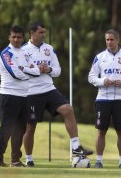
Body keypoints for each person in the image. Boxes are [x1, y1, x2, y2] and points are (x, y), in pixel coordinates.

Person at [22, 21, 93, 167]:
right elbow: (21, 71)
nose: (44, 35)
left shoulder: (49, 49)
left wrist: (48, 70)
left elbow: (58, 70)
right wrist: (37, 69)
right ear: (32, 33)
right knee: (30, 127)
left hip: (49, 89)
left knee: (68, 109)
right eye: (41, 32)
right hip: (31, 92)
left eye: (44, 32)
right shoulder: (23, 50)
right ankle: (29, 159)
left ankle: (76, 147)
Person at [88, 29, 121, 168]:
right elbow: (91, 77)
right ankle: (99, 160)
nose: (109, 42)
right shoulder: (99, 57)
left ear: (118, 40)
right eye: (107, 40)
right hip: (103, 98)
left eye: (112, 39)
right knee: (101, 131)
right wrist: (102, 81)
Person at [0, 25, 40, 167]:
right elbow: (15, 73)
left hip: (24, 96)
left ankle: (15, 160)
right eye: (13, 36)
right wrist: (27, 72)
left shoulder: (25, 53)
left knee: (20, 129)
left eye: (19, 37)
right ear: (9, 37)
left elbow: (37, 71)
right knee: (6, 128)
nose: (16, 39)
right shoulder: (6, 53)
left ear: (23, 38)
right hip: (9, 95)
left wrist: (24, 69)